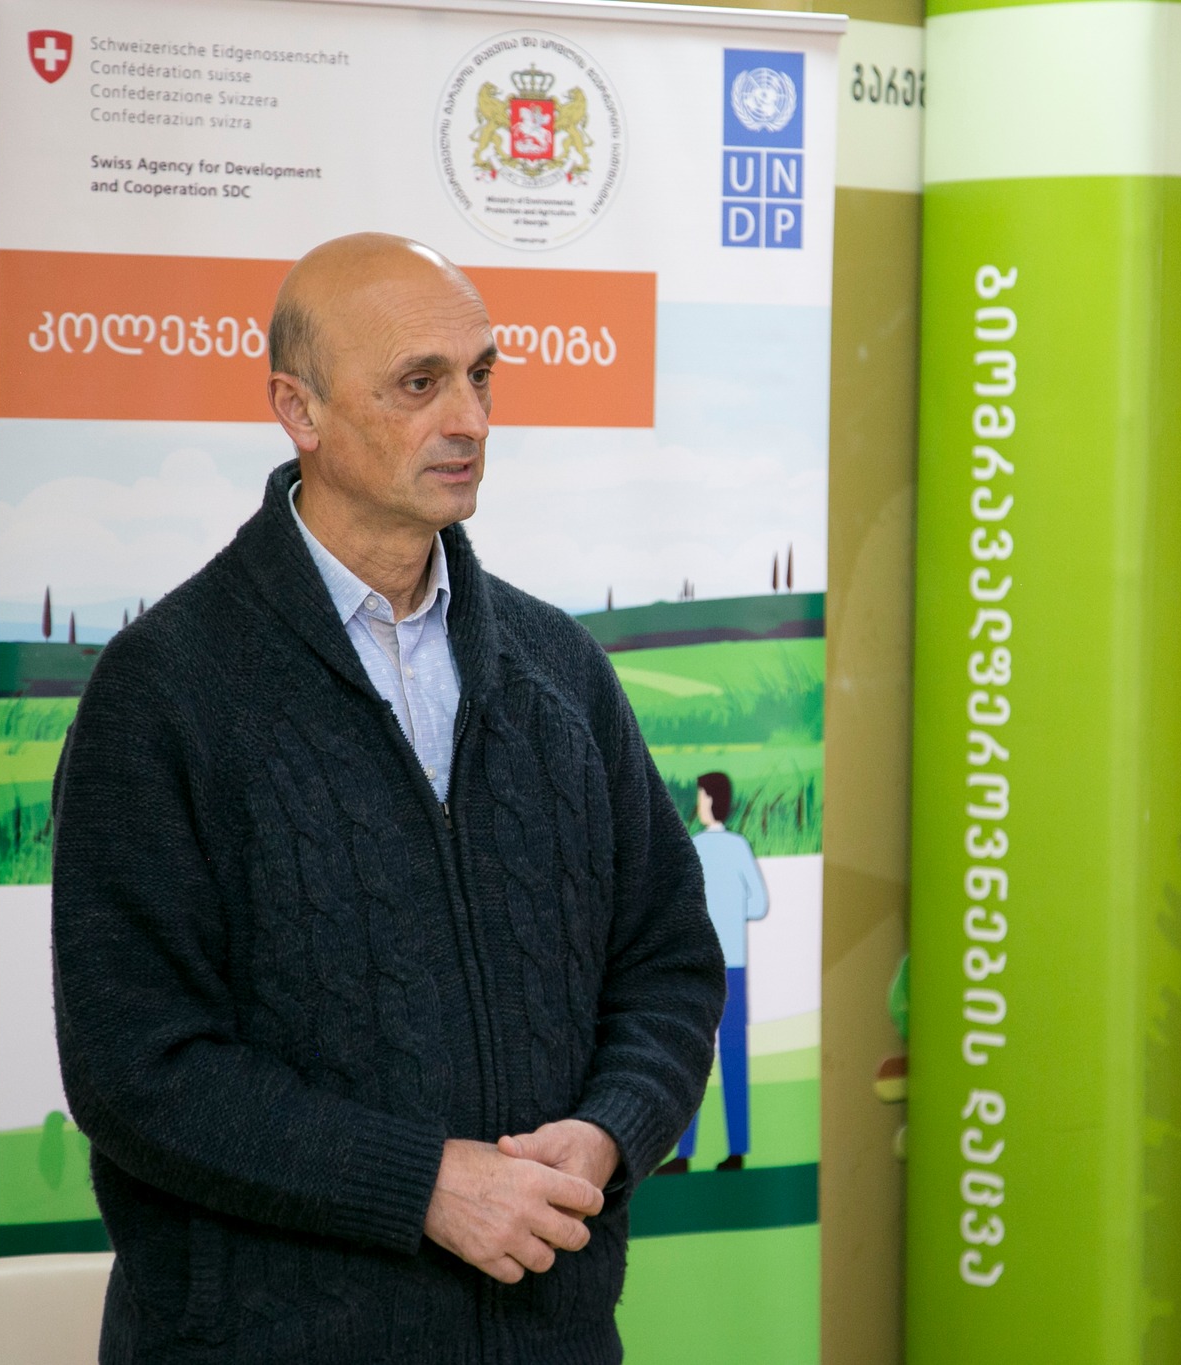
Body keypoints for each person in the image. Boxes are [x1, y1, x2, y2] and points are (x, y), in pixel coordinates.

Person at [50, 233, 726, 1364]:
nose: (469, 419)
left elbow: (668, 962)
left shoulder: (559, 670)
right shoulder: (164, 688)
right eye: (419, 383)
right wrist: (421, 1184)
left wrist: (612, 1131)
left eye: (480, 375)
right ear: (298, 410)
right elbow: (137, 1069)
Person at [658, 771, 770, 1174]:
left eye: (701, 796)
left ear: (709, 800)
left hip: (699, 966)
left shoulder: (695, 846)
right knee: (735, 1058)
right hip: (734, 966)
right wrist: (732, 914)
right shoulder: (739, 847)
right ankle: (737, 1150)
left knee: (689, 1056)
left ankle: (684, 1154)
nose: (698, 803)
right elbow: (759, 904)